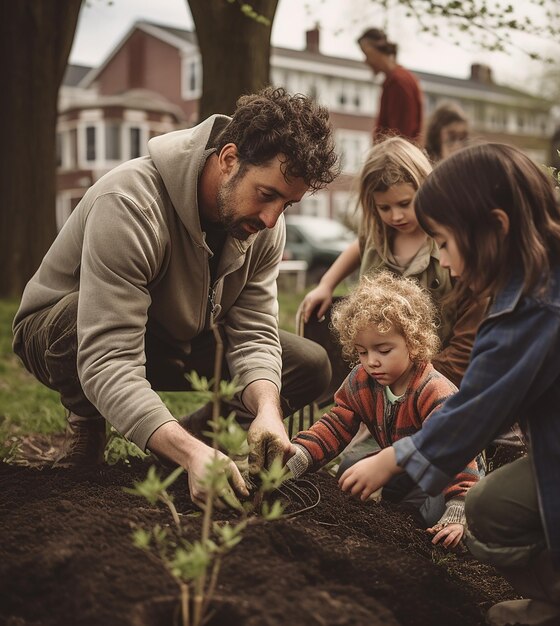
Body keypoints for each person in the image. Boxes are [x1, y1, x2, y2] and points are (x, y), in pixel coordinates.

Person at [338, 143, 560, 626]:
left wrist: (392, 458)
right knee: (505, 503)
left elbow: (479, 406)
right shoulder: (557, 275)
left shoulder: (536, 304)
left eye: (445, 243)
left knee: (489, 508)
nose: (444, 262)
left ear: (495, 228)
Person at [12, 87, 339, 506]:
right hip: (69, 336)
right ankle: (89, 424)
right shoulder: (130, 204)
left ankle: (194, 440)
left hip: (175, 335)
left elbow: (254, 331)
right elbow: (108, 356)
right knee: (76, 321)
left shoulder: (263, 227)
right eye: (267, 194)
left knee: (308, 365)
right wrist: (188, 455)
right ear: (228, 160)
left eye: (287, 204)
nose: (272, 218)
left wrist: (267, 412)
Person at [288, 271, 480, 548]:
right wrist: (299, 456)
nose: (371, 362)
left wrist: (459, 506)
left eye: (383, 350)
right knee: (352, 469)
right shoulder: (361, 381)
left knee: (430, 519)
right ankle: (403, 503)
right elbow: (335, 426)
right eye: (363, 352)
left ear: (413, 343)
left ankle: (456, 517)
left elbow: (459, 451)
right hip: (403, 466)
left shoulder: (434, 390)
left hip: (450, 472)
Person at [301, 136, 485, 388]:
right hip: (381, 363)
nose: (396, 215)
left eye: (404, 204)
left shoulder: (445, 243)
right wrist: (326, 284)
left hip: (435, 370)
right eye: (384, 207)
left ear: (427, 189)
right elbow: (358, 246)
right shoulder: (377, 236)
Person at [357, 28, 424, 143]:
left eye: (366, 54)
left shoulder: (399, 81)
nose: (366, 61)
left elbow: (401, 135)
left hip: (395, 157)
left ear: (378, 49)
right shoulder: (395, 80)